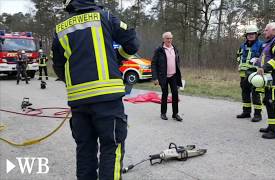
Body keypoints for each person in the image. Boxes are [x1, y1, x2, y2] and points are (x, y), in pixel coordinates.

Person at [51, 0, 139, 179]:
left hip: (79, 103)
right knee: (111, 148)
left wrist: (74, 84)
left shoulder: (60, 29)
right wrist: (116, 57)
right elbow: (133, 43)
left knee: (84, 150)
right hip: (108, 100)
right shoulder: (105, 17)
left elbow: (58, 66)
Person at [151, 32, 183, 122]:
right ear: (163, 39)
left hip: (173, 76)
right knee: (165, 94)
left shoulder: (175, 49)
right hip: (163, 76)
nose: (169, 40)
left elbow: (177, 62)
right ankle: (163, 113)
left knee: (175, 94)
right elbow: (153, 64)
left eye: (170, 38)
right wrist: (155, 78)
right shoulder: (159, 50)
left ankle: (175, 114)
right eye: (167, 38)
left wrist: (179, 75)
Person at [236, 25, 263, 122]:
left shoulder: (261, 45)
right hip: (243, 74)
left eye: (252, 34)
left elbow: (265, 57)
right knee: (245, 93)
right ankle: (246, 112)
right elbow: (238, 55)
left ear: (256, 35)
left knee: (256, 94)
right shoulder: (242, 46)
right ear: (246, 35)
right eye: (248, 34)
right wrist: (239, 62)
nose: (250, 36)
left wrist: (258, 60)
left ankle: (257, 114)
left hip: (255, 74)